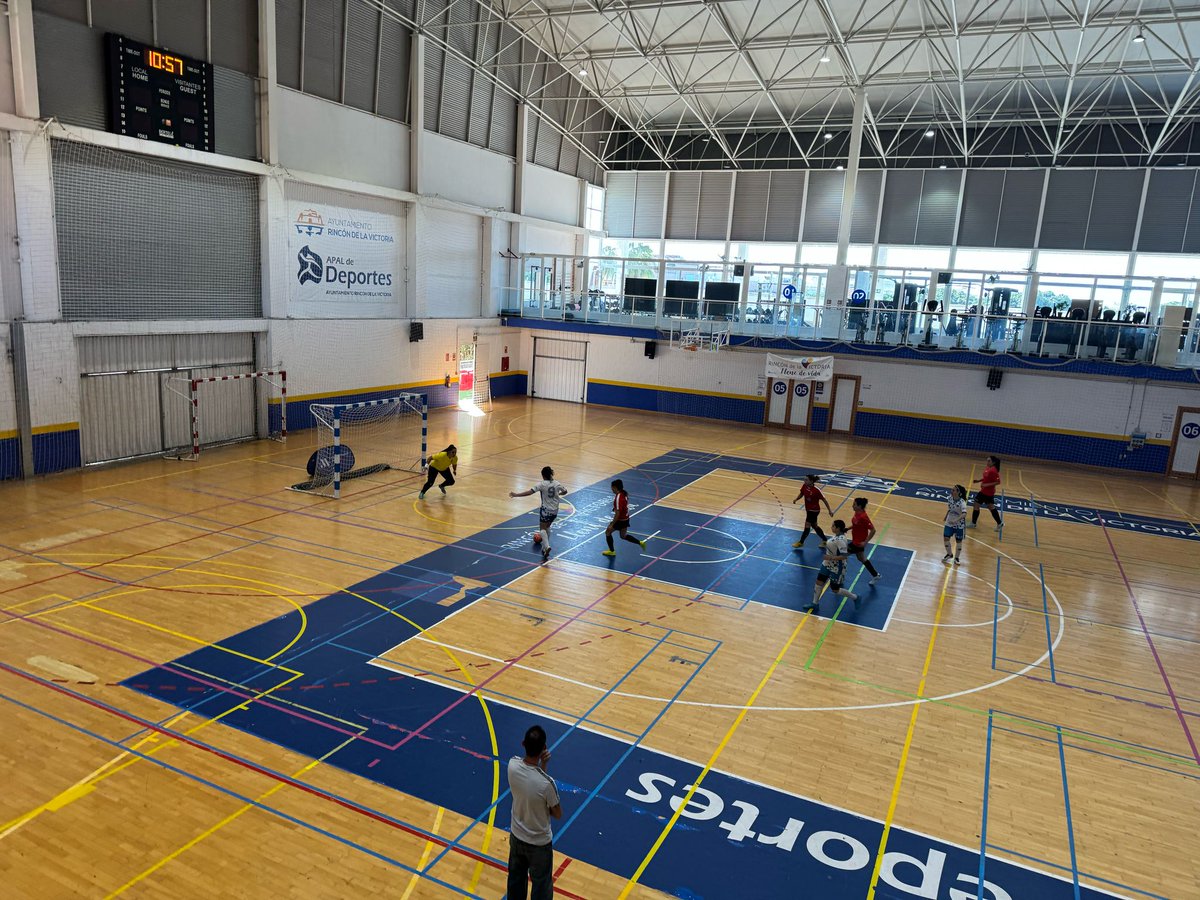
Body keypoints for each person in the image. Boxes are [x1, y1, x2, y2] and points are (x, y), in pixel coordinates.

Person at [506, 724, 562, 900]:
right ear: (544, 749)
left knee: (515, 881)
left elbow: (531, 786)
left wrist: (541, 765)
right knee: (541, 886)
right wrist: (544, 765)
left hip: (516, 837)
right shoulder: (547, 783)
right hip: (539, 845)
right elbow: (557, 813)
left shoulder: (512, 765)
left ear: (523, 744)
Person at [510, 466, 569, 563]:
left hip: (546, 510)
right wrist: (558, 494)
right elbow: (565, 491)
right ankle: (544, 547)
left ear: (543, 475)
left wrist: (516, 494)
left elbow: (530, 492)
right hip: (555, 510)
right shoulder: (557, 483)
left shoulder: (542, 484)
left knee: (542, 528)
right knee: (547, 527)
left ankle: (547, 546)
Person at [804, 519, 857, 612]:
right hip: (827, 565)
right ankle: (815, 603)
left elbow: (844, 556)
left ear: (838, 528)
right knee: (818, 582)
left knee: (835, 589)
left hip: (837, 567)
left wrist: (830, 558)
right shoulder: (837, 536)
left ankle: (855, 597)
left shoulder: (840, 540)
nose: (831, 527)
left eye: (833, 526)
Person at [602, 479, 646, 557]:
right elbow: (622, 507)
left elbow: (618, 513)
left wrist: (612, 524)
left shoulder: (618, 497)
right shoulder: (623, 493)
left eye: (612, 488)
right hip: (626, 519)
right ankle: (640, 543)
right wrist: (615, 508)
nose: (611, 489)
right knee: (623, 536)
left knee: (608, 532)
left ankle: (612, 551)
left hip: (620, 520)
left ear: (615, 487)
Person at [791, 474, 832, 549]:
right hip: (808, 510)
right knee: (815, 526)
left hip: (814, 511)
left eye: (806, 480)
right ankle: (825, 540)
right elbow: (802, 493)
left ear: (811, 481)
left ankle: (801, 542)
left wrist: (829, 510)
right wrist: (796, 499)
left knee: (807, 525)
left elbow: (824, 500)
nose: (804, 481)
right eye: (804, 479)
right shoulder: (804, 486)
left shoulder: (816, 490)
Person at [848, 497, 882, 585]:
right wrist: (847, 528)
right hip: (855, 540)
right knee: (861, 558)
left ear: (859, 506)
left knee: (841, 555)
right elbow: (856, 524)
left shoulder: (863, 517)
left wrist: (865, 542)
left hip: (858, 543)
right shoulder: (856, 513)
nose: (852, 506)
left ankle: (839, 575)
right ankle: (876, 575)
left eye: (854, 504)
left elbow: (873, 530)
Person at [968, 454, 1003, 530]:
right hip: (985, 491)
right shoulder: (988, 468)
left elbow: (998, 482)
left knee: (976, 504)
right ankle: (999, 523)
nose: (987, 462)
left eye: (989, 460)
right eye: (987, 460)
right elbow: (986, 477)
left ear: (993, 462)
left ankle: (973, 523)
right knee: (991, 507)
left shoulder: (993, 471)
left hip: (987, 492)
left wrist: (986, 485)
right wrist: (978, 481)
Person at [943, 484, 968, 564]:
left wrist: (956, 520)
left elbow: (964, 514)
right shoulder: (950, 499)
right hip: (949, 522)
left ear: (958, 492)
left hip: (959, 524)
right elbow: (950, 509)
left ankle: (957, 558)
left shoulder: (962, 502)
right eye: (952, 490)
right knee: (946, 538)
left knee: (958, 541)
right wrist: (946, 516)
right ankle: (949, 554)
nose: (951, 491)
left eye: (953, 490)